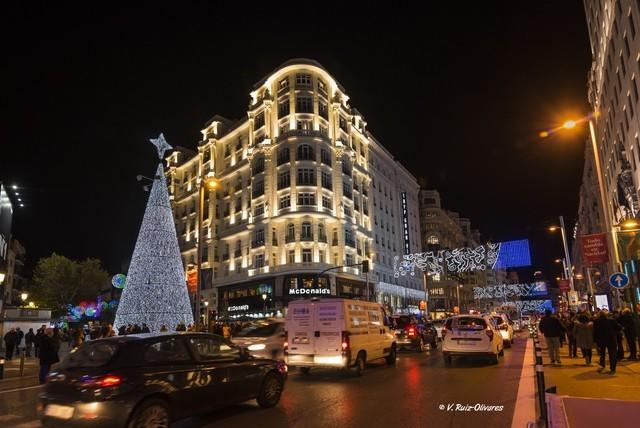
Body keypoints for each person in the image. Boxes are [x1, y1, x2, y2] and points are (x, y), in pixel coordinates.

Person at [593, 310, 621, 374]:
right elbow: (618, 328)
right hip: (611, 339)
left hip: (601, 340)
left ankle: (602, 365)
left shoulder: (596, 321)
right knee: (612, 354)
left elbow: (595, 332)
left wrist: (595, 340)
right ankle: (612, 369)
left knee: (602, 354)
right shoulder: (611, 320)